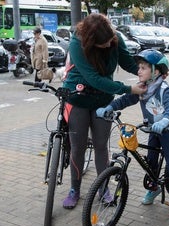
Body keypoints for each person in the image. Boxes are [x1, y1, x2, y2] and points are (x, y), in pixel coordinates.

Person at [61, 13, 147, 209]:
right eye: (104, 43)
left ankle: (103, 188)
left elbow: (128, 62)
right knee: (78, 146)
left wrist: (149, 72)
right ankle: (75, 189)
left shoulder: (114, 39)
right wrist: (128, 89)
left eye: (110, 41)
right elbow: (93, 78)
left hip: (103, 99)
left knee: (101, 145)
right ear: (92, 41)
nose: (109, 45)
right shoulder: (77, 44)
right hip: (79, 97)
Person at [96, 49, 169, 220]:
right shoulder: (142, 89)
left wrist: (166, 121)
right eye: (139, 67)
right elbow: (125, 99)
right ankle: (154, 188)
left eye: (143, 67)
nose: (139, 71)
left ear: (156, 71)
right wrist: (110, 107)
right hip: (153, 129)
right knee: (151, 161)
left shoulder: (164, 89)